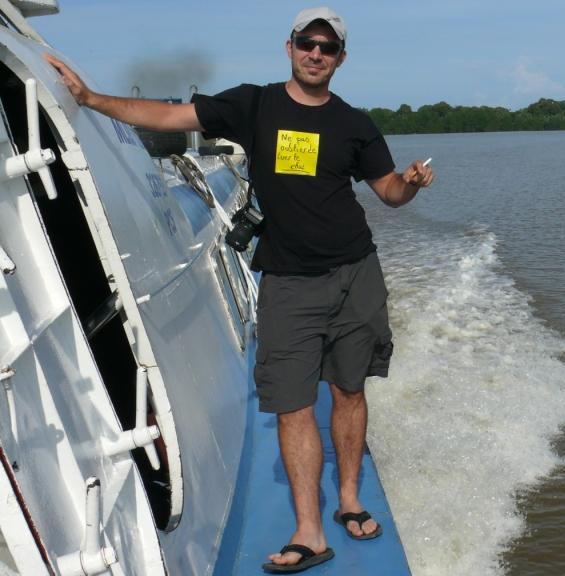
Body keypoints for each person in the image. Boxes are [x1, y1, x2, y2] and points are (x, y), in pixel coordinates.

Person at [46, 6, 433, 573]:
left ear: (340, 58)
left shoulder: (355, 123)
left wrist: (412, 183)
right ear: (290, 47)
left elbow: (390, 193)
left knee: (350, 390)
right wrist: (91, 98)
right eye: (308, 42)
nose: (316, 53)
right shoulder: (255, 105)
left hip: (356, 274)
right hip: (289, 282)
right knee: (292, 404)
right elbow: (169, 115)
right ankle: (309, 531)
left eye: (327, 47)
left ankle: (350, 499)